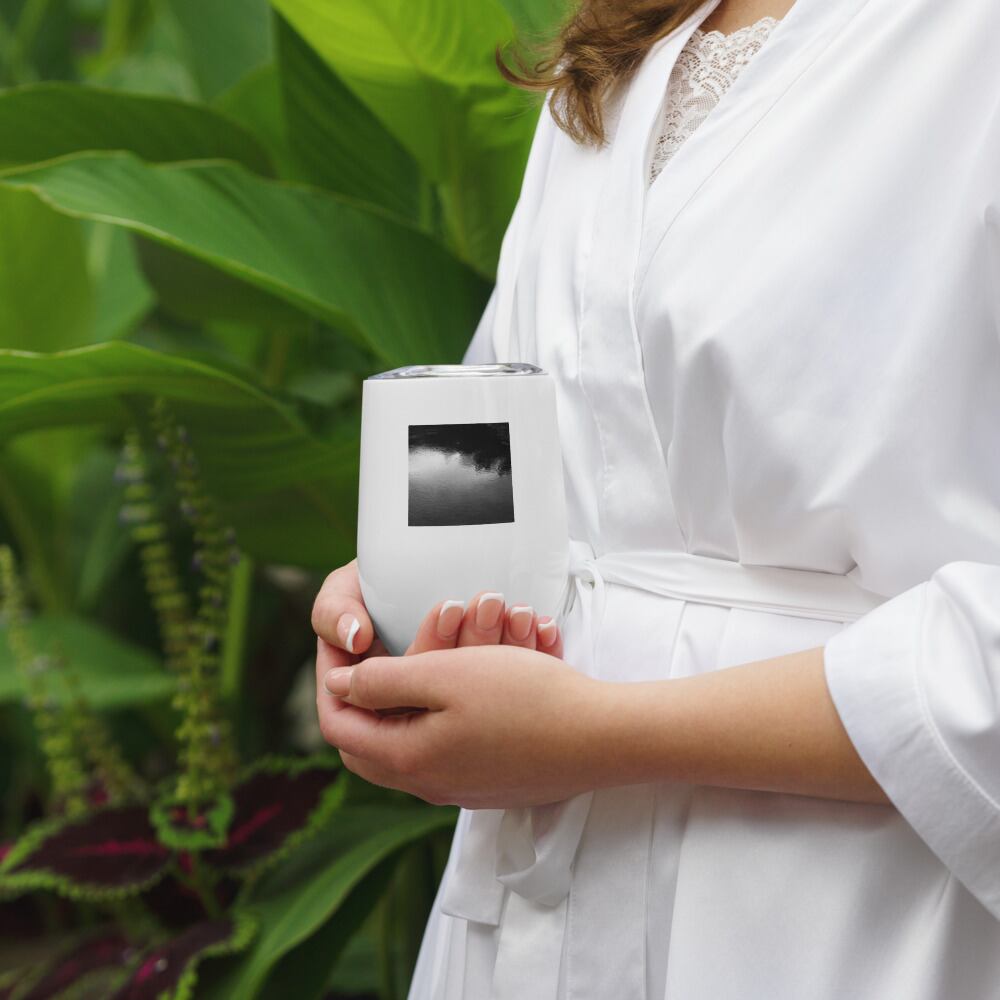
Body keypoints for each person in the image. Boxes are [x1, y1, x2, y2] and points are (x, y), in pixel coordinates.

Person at [312, 0, 1000, 996]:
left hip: (848, 910)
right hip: (540, 903)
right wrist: (401, 589)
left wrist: (601, 732)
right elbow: (527, 411)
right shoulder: (629, 36)